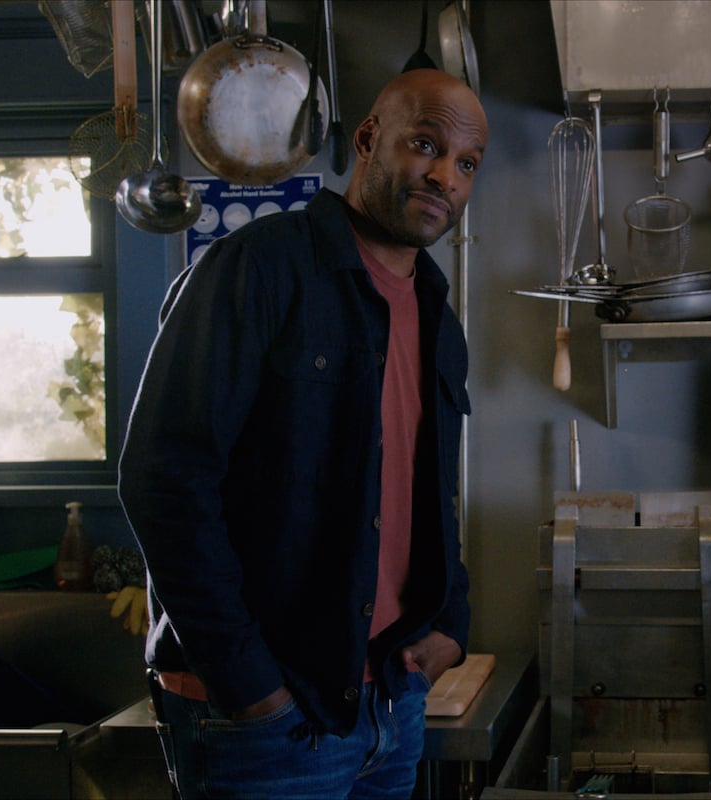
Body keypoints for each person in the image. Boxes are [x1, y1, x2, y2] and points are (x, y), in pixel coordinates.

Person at [118, 68, 488, 800]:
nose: (445, 176)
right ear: (368, 139)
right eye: (425, 144)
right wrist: (251, 685)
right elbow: (165, 479)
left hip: (390, 703)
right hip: (265, 719)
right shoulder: (256, 267)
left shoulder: (437, 317)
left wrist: (452, 619)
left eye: (467, 163)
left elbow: (429, 494)